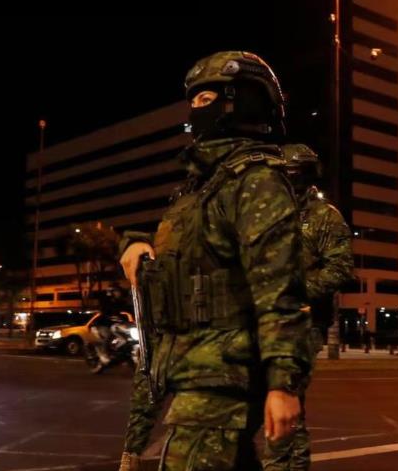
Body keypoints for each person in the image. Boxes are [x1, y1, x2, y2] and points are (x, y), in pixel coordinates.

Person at [118, 51, 311, 471]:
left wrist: (283, 383)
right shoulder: (200, 187)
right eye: (194, 102)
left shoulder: (256, 182)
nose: (196, 111)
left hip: (222, 376)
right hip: (186, 367)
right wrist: (134, 243)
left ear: (239, 102)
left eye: (207, 100)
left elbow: (278, 290)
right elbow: (182, 252)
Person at [262, 144, 353, 471]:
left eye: (290, 174)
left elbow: (340, 269)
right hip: (270, 319)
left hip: (305, 320)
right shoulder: (270, 215)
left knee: (287, 396)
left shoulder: (324, 216)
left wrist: (298, 290)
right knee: (275, 400)